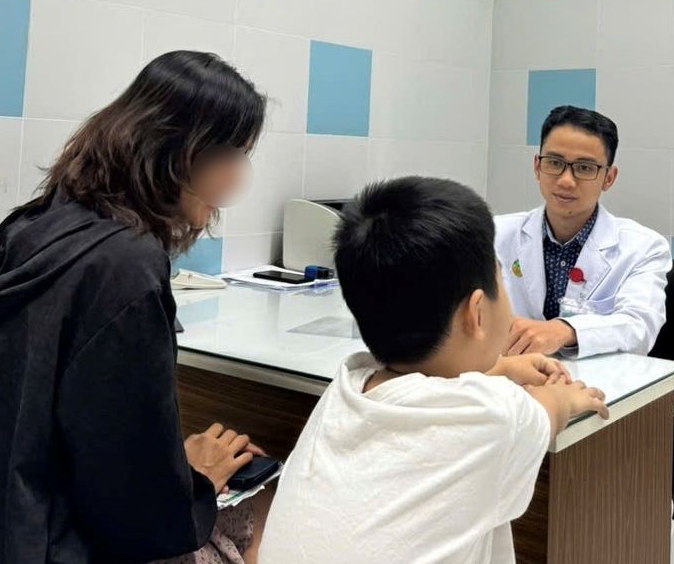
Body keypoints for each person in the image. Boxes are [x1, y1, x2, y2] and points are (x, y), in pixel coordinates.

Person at [0, 51, 270, 564]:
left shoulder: (35, 224)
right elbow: (135, 511)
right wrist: (195, 482)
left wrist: (165, 466)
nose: (236, 179)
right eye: (233, 155)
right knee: (256, 522)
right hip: (34, 543)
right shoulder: (126, 266)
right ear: (182, 156)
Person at [259, 176, 609, 564]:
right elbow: (548, 409)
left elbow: (426, 395)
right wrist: (566, 396)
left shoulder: (351, 381)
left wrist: (502, 368)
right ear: (477, 313)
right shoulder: (497, 415)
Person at [496, 105, 672, 358]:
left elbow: (639, 326)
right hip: (511, 380)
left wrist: (563, 330)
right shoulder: (495, 234)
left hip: (597, 388)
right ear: (537, 166)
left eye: (585, 168)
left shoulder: (644, 247)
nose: (566, 180)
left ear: (609, 178)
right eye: (555, 163)